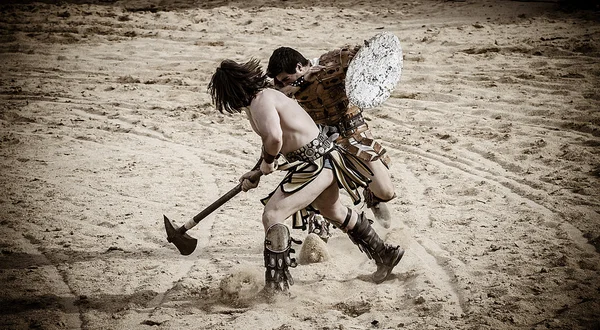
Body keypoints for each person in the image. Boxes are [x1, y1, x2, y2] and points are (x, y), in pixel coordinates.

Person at [207, 59, 404, 293]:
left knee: (272, 215)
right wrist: (258, 170)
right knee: (333, 211)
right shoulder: (262, 99)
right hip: (321, 160)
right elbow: (274, 142)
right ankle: (384, 254)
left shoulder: (262, 101)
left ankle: (277, 288)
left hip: (315, 163)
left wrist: (269, 162)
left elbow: (275, 139)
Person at [266, 45, 396, 234]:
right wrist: (302, 81)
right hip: (319, 144)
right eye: (280, 81)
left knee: (386, 192)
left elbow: (369, 56)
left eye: (287, 79)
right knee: (315, 192)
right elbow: (274, 94)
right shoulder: (285, 85)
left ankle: (373, 197)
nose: (284, 84)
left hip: (353, 134)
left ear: (299, 67)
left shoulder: (334, 61)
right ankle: (320, 229)